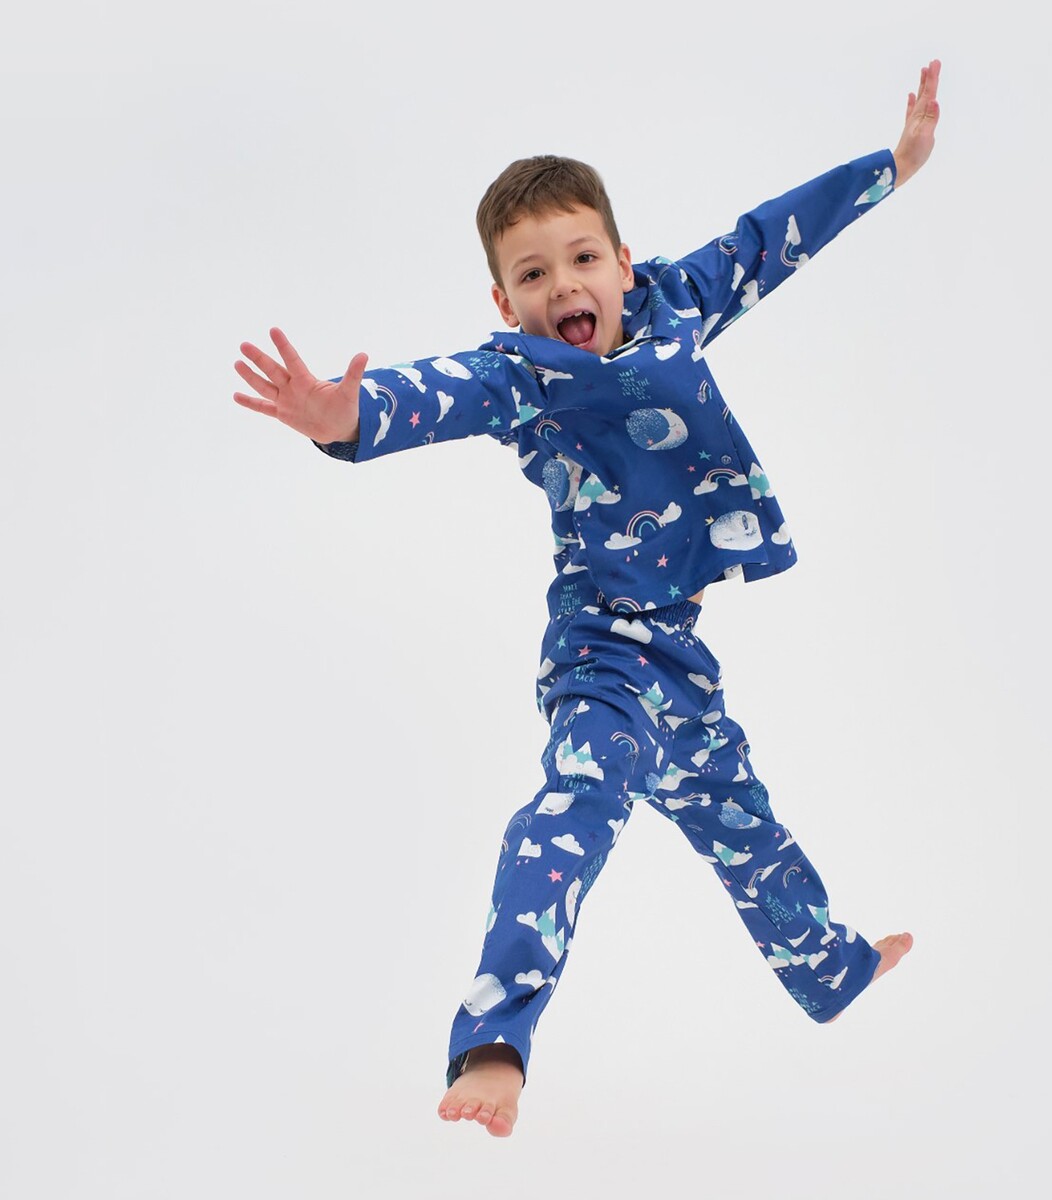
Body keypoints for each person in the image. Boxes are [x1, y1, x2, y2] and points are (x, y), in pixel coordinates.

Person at [234, 59, 941, 1138]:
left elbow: (769, 240)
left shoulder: (678, 301)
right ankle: (495, 1043)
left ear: (622, 261)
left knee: (740, 817)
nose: (562, 286)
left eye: (580, 259)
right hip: (601, 656)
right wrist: (345, 418)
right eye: (531, 274)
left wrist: (890, 167)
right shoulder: (522, 376)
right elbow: (433, 392)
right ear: (504, 303)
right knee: (575, 812)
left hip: (678, 660)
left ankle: (828, 969)